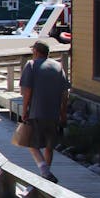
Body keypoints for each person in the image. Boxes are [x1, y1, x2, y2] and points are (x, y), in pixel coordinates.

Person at [20, 40, 69, 183]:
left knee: (30, 143)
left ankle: (45, 171)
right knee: (49, 145)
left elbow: (27, 91)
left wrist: (24, 110)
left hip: (36, 111)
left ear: (36, 51)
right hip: (53, 113)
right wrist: (63, 113)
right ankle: (46, 176)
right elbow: (65, 93)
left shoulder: (31, 65)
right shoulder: (58, 67)